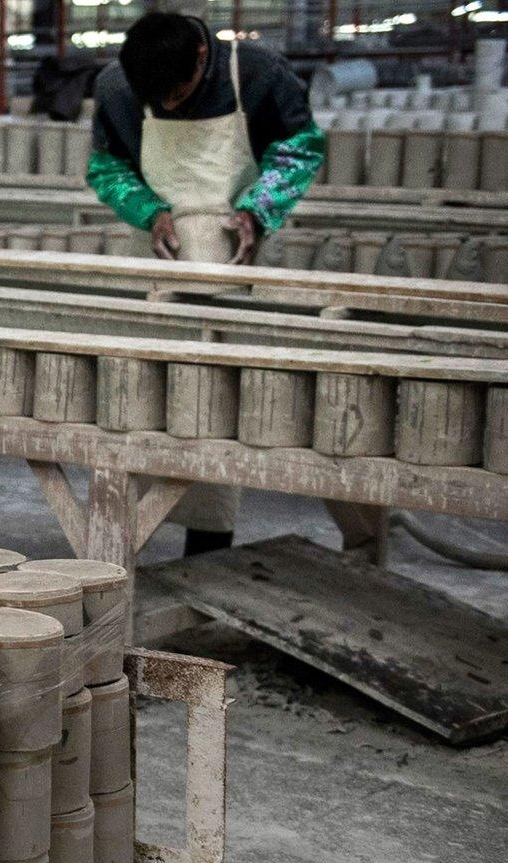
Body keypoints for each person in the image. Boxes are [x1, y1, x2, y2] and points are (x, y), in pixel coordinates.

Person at [87, 12, 327, 553]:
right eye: (158, 99)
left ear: (201, 56)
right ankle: (122, 541)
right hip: (159, 255)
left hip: (237, 254)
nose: (169, 106)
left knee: (218, 402)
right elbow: (107, 167)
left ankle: (208, 547)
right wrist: (148, 210)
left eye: (177, 92)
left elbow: (298, 149)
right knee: (141, 398)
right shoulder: (117, 86)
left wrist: (258, 211)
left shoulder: (260, 73)